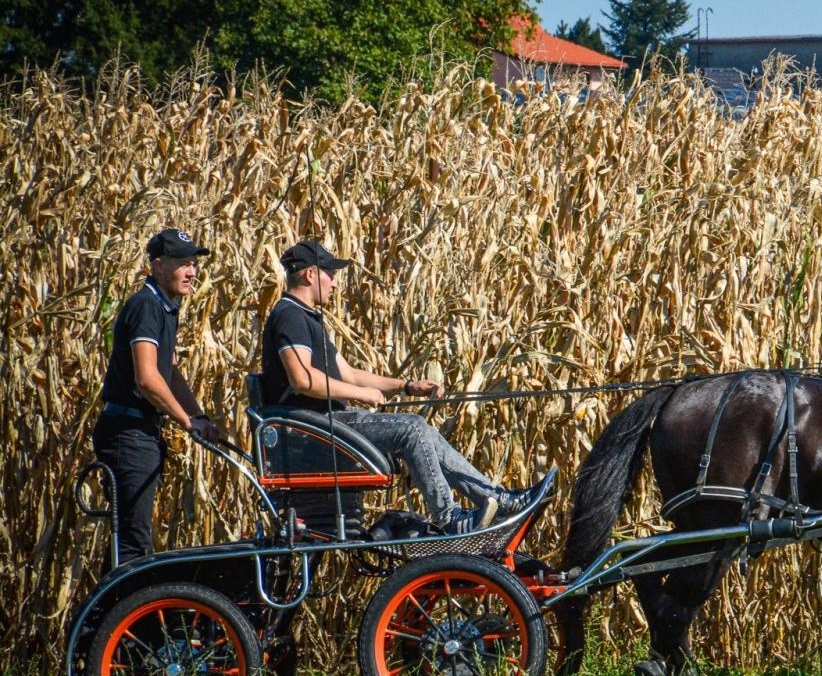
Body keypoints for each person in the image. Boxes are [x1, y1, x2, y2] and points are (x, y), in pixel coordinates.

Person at [259, 239, 535, 532]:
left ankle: (498, 499)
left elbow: (349, 374)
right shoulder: (289, 316)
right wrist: (361, 395)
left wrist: (406, 385)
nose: (335, 284)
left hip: (328, 427)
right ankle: (450, 518)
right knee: (411, 428)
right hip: (314, 432)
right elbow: (302, 380)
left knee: (421, 431)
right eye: (330, 274)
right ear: (310, 275)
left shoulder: (307, 318)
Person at [93, 228, 223, 566]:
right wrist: (186, 421)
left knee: (130, 539)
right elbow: (148, 379)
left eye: (194, 264)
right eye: (183, 263)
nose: (192, 272)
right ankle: (121, 618)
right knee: (133, 545)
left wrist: (201, 416)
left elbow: (170, 371)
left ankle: (108, 619)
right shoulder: (147, 306)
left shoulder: (165, 307)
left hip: (142, 432)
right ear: (158, 265)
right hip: (128, 434)